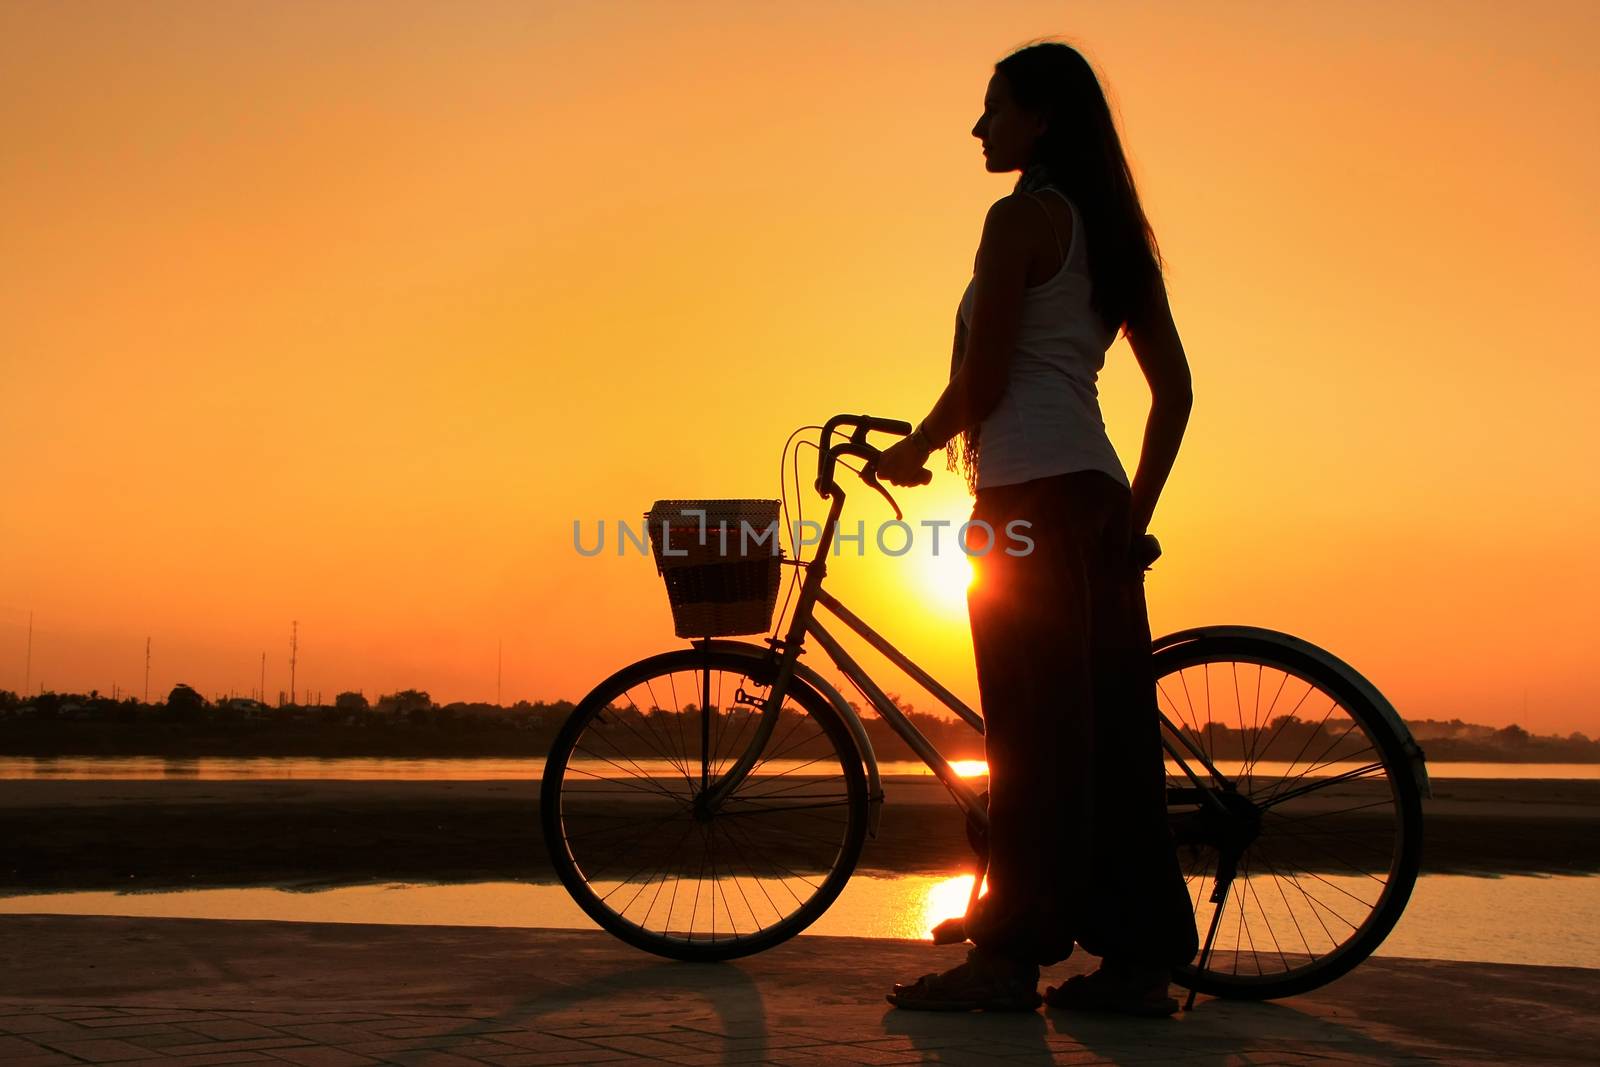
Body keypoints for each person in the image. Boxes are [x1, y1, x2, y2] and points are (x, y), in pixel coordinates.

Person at [874, 40, 1200, 1015]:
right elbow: (1176, 394)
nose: (981, 127)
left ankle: (1004, 961)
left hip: (1021, 502)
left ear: (1041, 117)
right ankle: (1139, 963)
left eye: (994, 108)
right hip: (1093, 496)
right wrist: (1129, 521)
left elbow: (987, 372)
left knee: (1030, 741)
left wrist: (917, 448)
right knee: (1107, 742)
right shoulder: (1111, 235)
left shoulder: (1017, 220)